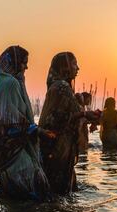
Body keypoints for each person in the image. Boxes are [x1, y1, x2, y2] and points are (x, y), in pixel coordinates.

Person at [0, 46, 53, 201]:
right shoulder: (10, 83)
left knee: (15, 204)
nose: (26, 67)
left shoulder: (7, 82)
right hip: (13, 152)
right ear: (15, 63)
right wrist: (37, 131)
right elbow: (9, 120)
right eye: (24, 62)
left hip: (9, 151)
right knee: (31, 197)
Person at [39, 52, 99, 195]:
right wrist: (85, 114)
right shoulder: (62, 87)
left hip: (53, 147)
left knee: (58, 189)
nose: (77, 68)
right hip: (58, 147)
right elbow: (58, 120)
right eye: (74, 64)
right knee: (59, 191)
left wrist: (86, 116)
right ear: (64, 67)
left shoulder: (57, 87)